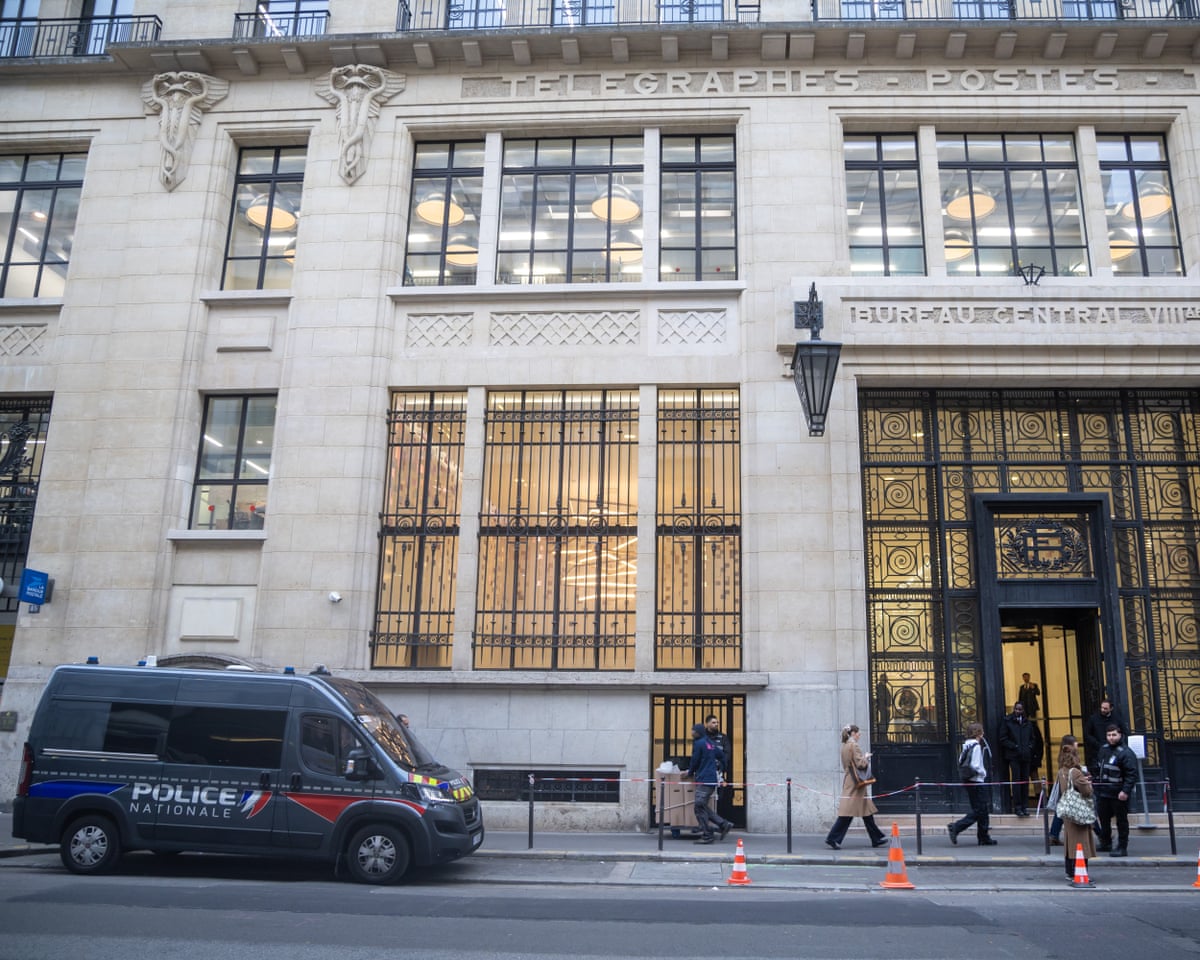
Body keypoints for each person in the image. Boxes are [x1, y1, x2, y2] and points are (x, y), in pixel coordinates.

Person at [824, 724, 887, 850]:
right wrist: (867, 758)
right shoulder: (854, 745)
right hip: (856, 783)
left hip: (851, 780)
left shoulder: (845, 746)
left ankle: (876, 838)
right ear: (853, 733)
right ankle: (832, 838)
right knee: (847, 813)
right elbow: (860, 764)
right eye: (858, 733)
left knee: (866, 811)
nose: (859, 735)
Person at [947, 722, 998, 846]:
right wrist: (983, 772)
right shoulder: (976, 747)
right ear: (978, 733)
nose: (983, 734)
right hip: (977, 781)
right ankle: (956, 827)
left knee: (982, 809)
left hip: (968, 781)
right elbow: (975, 765)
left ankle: (984, 836)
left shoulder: (966, 746)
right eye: (982, 731)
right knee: (980, 810)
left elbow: (961, 761)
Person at [683, 722, 733, 844]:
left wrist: (689, 772)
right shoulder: (709, 743)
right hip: (711, 779)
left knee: (699, 806)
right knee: (702, 805)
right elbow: (722, 755)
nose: (691, 732)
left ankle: (707, 835)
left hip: (704, 778)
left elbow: (695, 760)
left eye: (693, 730)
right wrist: (722, 766)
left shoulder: (699, 743)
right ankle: (723, 824)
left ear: (698, 732)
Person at [1055, 739, 1096, 885]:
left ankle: (1069, 870)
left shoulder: (1061, 772)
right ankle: (1079, 871)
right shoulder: (1076, 772)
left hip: (1068, 810)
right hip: (1079, 811)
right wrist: (1088, 783)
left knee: (1069, 842)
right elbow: (1087, 791)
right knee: (1080, 843)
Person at [1094, 724, 1138, 857]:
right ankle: (1106, 842)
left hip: (1118, 792)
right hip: (1103, 791)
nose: (1111, 738)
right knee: (1104, 819)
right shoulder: (1103, 749)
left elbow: (1131, 774)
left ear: (1120, 735)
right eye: (1109, 735)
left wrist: (1125, 791)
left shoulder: (1126, 752)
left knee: (1121, 820)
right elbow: (1099, 767)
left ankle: (1122, 846)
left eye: (1114, 735)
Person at [998, 700, 1043, 817]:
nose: (1018, 711)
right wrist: (1015, 747)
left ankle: (1025, 806)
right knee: (1017, 781)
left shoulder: (1028, 723)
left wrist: (1029, 748)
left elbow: (1033, 739)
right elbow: (1003, 738)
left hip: (1026, 756)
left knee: (1025, 782)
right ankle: (1017, 807)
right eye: (1016, 709)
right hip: (1014, 756)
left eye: (1020, 709)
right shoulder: (1007, 721)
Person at [1048, 734, 1078, 846]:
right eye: (1075, 742)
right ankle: (1101, 834)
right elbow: (1073, 768)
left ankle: (1053, 835)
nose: (1077, 744)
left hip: (1064, 785)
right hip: (1069, 786)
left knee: (1060, 812)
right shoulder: (1069, 755)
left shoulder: (1062, 754)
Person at [704, 714, 733, 824]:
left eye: (717, 723)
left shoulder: (723, 738)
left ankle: (718, 821)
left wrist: (722, 766)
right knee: (704, 799)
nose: (716, 724)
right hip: (705, 773)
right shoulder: (703, 738)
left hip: (719, 773)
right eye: (713, 722)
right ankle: (707, 823)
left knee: (719, 798)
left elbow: (727, 754)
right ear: (707, 724)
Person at [1083, 699, 1126, 772]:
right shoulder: (1094, 718)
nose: (1102, 710)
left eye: (1105, 708)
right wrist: (1097, 744)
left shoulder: (1117, 718)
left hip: (1114, 750)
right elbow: (1087, 734)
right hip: (1097, 750)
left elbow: (1124, 732)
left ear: (1111, 708)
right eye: (1101, 708)